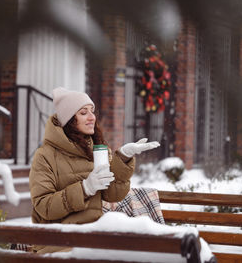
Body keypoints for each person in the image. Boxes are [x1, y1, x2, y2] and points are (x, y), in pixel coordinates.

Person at [29, 87, 160, 253]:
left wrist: (123, 158)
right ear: (69, 119)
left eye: (92, 111)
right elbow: (43, 206)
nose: (92, 117)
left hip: (92, 236)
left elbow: (113, 195)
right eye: (83, 113)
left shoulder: (97, 150)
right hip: (58, 241)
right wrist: (84, 189)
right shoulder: (45, 156)